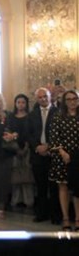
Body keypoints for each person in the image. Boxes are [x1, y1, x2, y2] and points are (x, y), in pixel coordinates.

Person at [28, 87, 61, 224]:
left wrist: (48, 146)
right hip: (37, 155)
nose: (43, 99)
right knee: (40, 187)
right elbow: (28, 134)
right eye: (40, 97)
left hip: (53, 154)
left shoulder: (58, 112)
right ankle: (41, 214)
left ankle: (55, 215)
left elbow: (60, 133)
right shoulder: (32, 114)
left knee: (54, 187)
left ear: (50, 97)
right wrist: (37, 147)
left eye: (45, 96)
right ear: (37, 99)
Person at [48, 90, 79, 231]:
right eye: (69, 99)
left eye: (75, 99)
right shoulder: (58, 116)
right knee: (63, 187)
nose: (72, 101)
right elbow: (54, 137)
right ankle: (66, 218)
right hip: (62, 157)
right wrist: (62, 152)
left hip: (78, 157)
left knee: (77, 189)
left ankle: (78, 219)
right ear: (64, 101)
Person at [9, 94, 34, 209]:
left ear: (26, 104)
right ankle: (16, 200)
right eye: (18, 102)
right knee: (15, 176)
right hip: (14, 150)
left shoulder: (31, 116)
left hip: (27, 149)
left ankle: (28, 200)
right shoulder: (11, 117)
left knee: (27, 176)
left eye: (23, 102)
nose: (20, 104)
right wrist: (16, 148)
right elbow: (8, 133)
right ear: (15, 104)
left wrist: (26, 147)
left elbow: (32, 133)